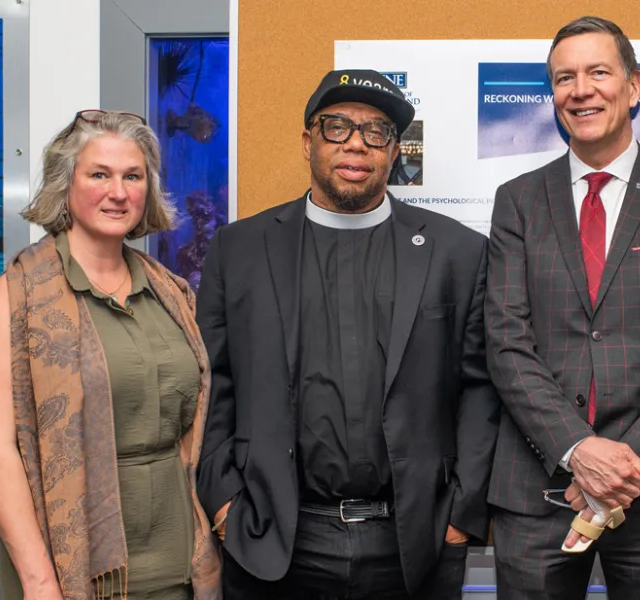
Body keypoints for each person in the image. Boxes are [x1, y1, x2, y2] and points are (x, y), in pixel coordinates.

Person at [195, 68, 499, 599]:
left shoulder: (458, 253)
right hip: (272, 539)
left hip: (414, 543)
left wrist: (460, 518)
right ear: (308, 140)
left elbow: (481, 388)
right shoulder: (239, 250)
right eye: (337, 126)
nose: (356, 143)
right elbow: (213, 383)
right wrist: (225, 505)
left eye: (376, 131)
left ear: (394, 150)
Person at [484, 16, 640, 600]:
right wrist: (578, 451)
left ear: (634, 86)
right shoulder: (516, 201)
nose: (581, 89)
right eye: (565, 78)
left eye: (598, 71)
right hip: (539, 484)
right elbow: (506, 343)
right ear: (553, 97)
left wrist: (623, 467)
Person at [0, 109, 222, 600]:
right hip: (73, 571)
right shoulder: (17, 297)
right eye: (99, 175)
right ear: (66, 185)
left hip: (181, 564)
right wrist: (40, 584)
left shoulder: (171, 293)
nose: (119, 192)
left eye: (133, 176)